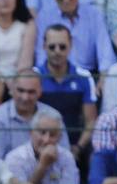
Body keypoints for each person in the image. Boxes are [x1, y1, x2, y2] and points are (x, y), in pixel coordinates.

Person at [33, 0, 117, 75]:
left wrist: (104, 78)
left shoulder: (94, 14)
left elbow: (105, 53)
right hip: (53, 73)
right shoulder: (44, 17)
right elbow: (41, 54)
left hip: (87, 74)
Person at [36, 24, 98, 154]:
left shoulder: (84, 77)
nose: (57, 51)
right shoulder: (33, 77)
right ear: (44, 46)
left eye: (62, 47)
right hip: (39, 144)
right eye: (52, 47)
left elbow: (91, 121)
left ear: (71, 46)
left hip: (74, 146)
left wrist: (78, 148)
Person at [0, 67, 72, 157]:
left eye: (31, 92)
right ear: (12, 89)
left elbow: (65, 156)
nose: (25, 97)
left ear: (40, 91)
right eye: (20, 90)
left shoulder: (53, 117)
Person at [4, 108, 79, 184]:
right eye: (42, 132)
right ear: (31, 132)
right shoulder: (15, 158)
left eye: (52, 135)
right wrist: (42, 166)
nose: (46, 140)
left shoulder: (66, 156)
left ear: (59, 138)